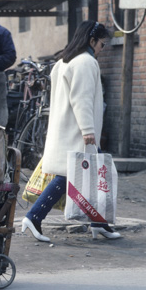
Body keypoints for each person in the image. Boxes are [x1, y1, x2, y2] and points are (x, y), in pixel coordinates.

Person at [21, 20, 121, 242]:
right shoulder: (86, 62)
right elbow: (82, 99)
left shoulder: (64, 62)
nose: (101, 50)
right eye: (101, 45)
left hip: (65, 127)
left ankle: (99, 223)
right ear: (92, 40)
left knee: (85, 176)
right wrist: (88, 131)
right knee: (69, 177)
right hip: (77, 130)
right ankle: (33, 216)